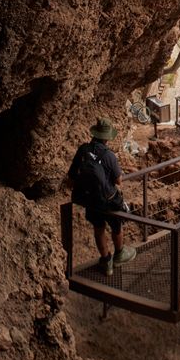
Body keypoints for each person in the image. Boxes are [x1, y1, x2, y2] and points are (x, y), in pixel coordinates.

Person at [68, 118, 135, 275]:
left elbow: (71, 175)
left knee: (98, 229)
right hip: (109, 200)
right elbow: (118, 180)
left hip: (90, 200)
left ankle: (106, 263)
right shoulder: (108, 155)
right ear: (106, 137)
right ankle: (119, 254)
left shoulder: (82, 150)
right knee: (116, 226)